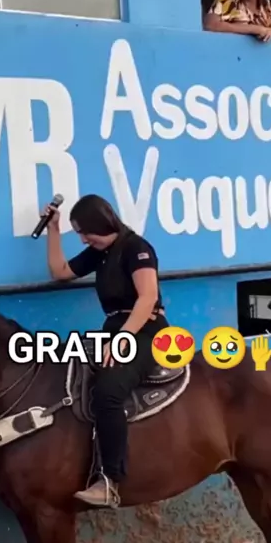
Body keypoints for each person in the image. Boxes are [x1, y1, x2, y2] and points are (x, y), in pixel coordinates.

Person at [44, 194, 169, 508]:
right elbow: (60, 271)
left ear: (102, 224)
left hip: (146, 330)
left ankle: (111, 481)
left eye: (86, 233)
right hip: (113, 329)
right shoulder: (99, 253)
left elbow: (147, 297)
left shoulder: (136, 248)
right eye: (79, 234)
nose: (84, 240)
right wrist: (53, 229)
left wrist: (123, 338)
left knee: (108, 391)